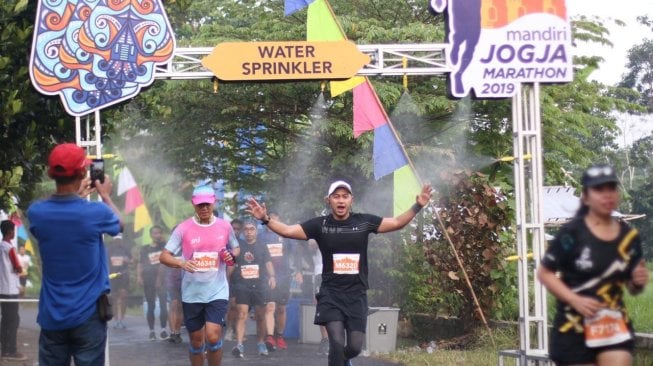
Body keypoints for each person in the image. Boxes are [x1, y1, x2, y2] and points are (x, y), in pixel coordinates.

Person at [247, 180, 432, 366]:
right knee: (335, 343)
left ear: (352, 200)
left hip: (356, 294)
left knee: (354, 347)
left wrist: (418, 205)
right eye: (336, 196)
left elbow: (397, 222)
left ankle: (342, 360)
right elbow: (287, 230)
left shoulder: (363, 222)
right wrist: (265, 219)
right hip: (331, 294)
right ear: (329, 200)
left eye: (345, 196)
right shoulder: (321, 225)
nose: (341, 200)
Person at [537, 164, 649, 366]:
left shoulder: (628, 237)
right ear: (586, 197)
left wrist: (637, 281)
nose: (607, 195)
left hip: (612, 324)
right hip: (574, 326)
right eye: (599, 190)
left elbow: (631, 285)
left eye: (611, 188)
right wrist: (574, 299)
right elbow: (545, 273)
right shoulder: (571, 234)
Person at [27, 142, 122, 366]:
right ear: (82, 173)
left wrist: (75, 196)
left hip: (52, 315)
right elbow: (119, 225)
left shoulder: (37, 212)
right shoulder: (96, 212)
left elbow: (61, 213)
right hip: (88, 315)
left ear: (52, 174)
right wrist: (105, 195)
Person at [159, 185, 240, 366]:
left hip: (217, 291)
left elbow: (236, 247)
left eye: (207, 204)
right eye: (200, 205)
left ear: (214, 203)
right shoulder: (184, 228)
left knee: (212, 337)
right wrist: (181, 262)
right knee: (196, 341)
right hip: (192, 293)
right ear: (193, 204)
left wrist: (231, 255)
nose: (204, 208)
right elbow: (163, 256)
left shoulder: (225, 226)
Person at [229, 220, 276, 358]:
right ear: (243, 232)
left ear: (256, 231)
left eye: (252, 229)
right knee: (242, 314)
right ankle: (239, 345)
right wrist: (226, 279)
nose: (249, 232)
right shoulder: (238, 246)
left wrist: (272, 276)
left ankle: (261, 343)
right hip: (242, 285)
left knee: (261, 316)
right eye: (246, 229)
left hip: (260, 285)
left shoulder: (262, 246)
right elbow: (231, 263)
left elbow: (268, 262)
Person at [259, 212, 302, 352]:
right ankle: (270, 337)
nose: (272, 223)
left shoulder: (285, 234)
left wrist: (299, 270)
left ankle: (280, 336)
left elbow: (296, 252)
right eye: (270, 220)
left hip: (284, 276)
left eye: (276, 220)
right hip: (267, 277)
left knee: (281, 308)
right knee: (270, 306)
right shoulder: (261, 236)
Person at [0, 220, 25, 361]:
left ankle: (4, 349)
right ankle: (11, 350)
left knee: (5, 320)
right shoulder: (9, 248)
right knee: (13, 320)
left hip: (2, 288)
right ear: (10, 232)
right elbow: (18, 267)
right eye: (14, 230)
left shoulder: (0, 246)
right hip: (10, 289)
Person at [138, 225, 169, 340]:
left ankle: (163, 330)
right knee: (151, 305)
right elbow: (140, 263)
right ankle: (151, 331)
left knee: (163, 304)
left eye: (159, 233)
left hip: (163, 280)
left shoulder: (164, 247)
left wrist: (163, 242)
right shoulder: (145, 249)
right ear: (151, 235)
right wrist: (139, 277)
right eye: (155, 233)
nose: (157, 235)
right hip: (148, 279)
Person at [108, 234, 131, 329]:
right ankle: (116, 320)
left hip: (123, 275)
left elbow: (132, 260)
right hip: (112, 276)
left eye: (119, 240)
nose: (118, 241)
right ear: (114, 240)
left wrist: (127, 260)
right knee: (114, 298)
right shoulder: (109, 250)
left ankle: (122, 319)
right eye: (116, 240)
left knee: (123, 296)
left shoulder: (125, 249)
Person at [166, 248, 184, 344]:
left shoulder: (187, 249)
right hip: (172, 282)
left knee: (180, 307)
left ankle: (177, 332)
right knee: (174, 304)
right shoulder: (170, 250)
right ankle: (172, 332)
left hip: (184, 282)